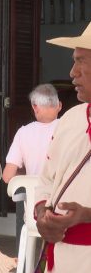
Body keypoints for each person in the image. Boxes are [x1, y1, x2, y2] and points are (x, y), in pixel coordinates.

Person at [35, 22, 91, 272]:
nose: (72, 72)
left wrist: (86, 216)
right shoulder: (71, 119)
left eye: (81, 61)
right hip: (61, 260)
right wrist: (41, 214)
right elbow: (46, 180)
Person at [3, 83, 62, 249]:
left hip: (35, 214)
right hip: (63, 214)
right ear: (60, 106)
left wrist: (28, 174)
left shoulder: (23, 133)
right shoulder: (67, 128)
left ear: (34, 107)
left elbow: (7, 176)